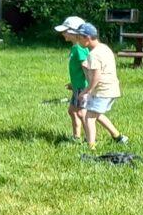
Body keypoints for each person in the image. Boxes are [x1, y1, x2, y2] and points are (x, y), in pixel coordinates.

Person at [78, 22, 128, 151]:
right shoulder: (104, 48)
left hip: (102, 91)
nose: (78, 41)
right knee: (97, 114)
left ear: (87, 38)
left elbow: (96, 77)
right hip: (113, 89)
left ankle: (91, 147)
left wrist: (86, 91)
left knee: (89, 117)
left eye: (79, 38)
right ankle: (118, 137)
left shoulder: (93, 55)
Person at [54, 13, 89, 143]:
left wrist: (88, 87)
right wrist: (72, 83)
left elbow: (86, 67)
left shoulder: (80, 48)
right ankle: (76, 136)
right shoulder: (75, 47)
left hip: (82, 87)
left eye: (65, 31)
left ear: (74, 32)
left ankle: (90, 138)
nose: (63, 34)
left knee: (81, 113)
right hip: (77, 85)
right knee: (72, 111)